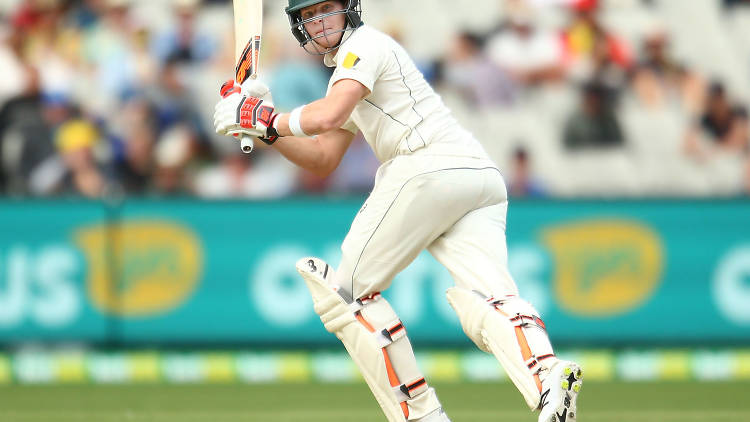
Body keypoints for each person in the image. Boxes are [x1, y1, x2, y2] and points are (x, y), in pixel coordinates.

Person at [213, 1, 583, 421]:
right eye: (309, 15)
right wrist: (263, 128)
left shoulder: (364, 47)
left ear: (348, 8)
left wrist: (264, 116)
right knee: (490, 296)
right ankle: (549, 378)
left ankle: (420, 413)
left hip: (424, 166)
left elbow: (326, 114)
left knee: (345, 297)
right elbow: (322, 159)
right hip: (477, 176)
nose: (318, 22)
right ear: (300, 28)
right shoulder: (350, 74)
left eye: (326, 9)